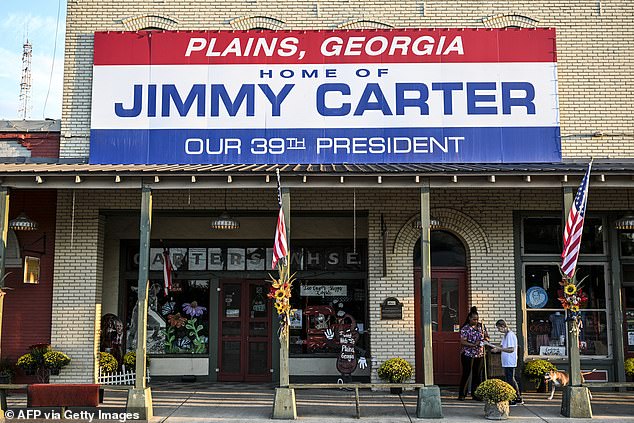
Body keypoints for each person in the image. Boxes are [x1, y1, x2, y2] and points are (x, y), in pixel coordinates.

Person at [458, 306, 489, 400]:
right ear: (469, 318)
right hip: (468, 354)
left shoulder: (481, 326)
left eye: (477, 319)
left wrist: (485, 340)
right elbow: (463, 341)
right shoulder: (465, 328)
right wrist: (473, 344)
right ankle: (462, 394)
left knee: (477, 374)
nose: (476, 321)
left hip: (479, 354)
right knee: (467, 373)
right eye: (474, 319)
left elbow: (487, 337)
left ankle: (476, 394)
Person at [492, 319, 524, 405]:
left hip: (510, 360)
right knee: (509, 379)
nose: (499, 330)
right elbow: (502, 345)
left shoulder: (510, 335)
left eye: (499, 328)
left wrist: (499, 349)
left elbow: (511, 349)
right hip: (506, 361)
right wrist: (495, 347)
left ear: (503, 326)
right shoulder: (506, 335)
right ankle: (517, 397)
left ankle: (514, 397)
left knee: (510, 379)